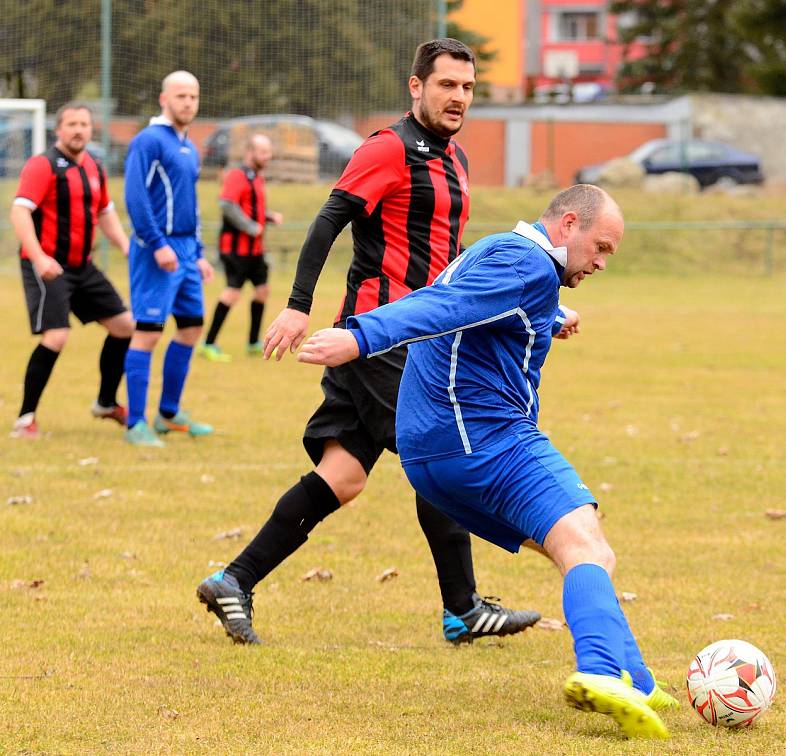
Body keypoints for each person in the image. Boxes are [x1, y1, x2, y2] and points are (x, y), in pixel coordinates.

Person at [296, 184, 681, 739]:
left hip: (434, 458)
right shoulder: (524, 263)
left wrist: (549, 314)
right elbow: (444, 307)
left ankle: (637, 680)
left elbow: (477, 307)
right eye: (601, 247)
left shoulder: (505, 254)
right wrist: (360, 337)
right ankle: (602, 673)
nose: (600, 262)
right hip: (482, 439)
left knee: (579, 546)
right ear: (568, 224)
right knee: (585, 544)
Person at [197, 39, 540, 645]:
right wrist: (298, 307)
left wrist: (527, 308)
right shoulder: (389, 150)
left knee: (343, 475)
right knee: (439, 461)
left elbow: (447, 260)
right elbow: (328, 220)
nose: (459, 97)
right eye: (446, 86)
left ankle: (234, 579)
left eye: (467, 87)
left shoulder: (454, 159)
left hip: (416, 334)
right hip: (381, 337)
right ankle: (462, 609)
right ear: (416, 87)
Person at [10, 101, 133, 439]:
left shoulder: (94, 166)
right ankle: (25, 419)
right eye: (72, 124)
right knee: (56, 336)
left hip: (83, 267)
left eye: (84, 124)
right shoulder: (43, 165)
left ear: (91, 130)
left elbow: (105, 212)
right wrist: (39, 258)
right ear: (58, 130)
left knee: (125, 326)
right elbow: (20, 213)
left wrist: (126, 246)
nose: (79, 130)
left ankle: (106, 403)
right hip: (48, 264)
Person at [123, 70, 215, 447]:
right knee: (147, 333)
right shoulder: (148, 141)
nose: (188, 103)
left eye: (193, 96)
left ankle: (168, 413)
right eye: (180, 96)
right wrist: (156, 242)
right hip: (155, 250)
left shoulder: (189, 146)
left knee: (192, 327)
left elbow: (188, 205)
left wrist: (200, 253)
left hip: (186, 252)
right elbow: (135, 197)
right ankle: (134, 424)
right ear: (164, 99)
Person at [200, 133, 283, 362]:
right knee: (232, 293)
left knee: (262, 291)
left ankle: (253, 342)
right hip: (235, 249)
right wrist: (250, 227)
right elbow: (227, 205)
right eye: (263, 152)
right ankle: (208, 343)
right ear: (250, 152)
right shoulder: (237, 175)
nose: (268, 156)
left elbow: (250, 209)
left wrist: (267, 217)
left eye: (269, 152)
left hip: (255, 250)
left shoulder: (256, 177)